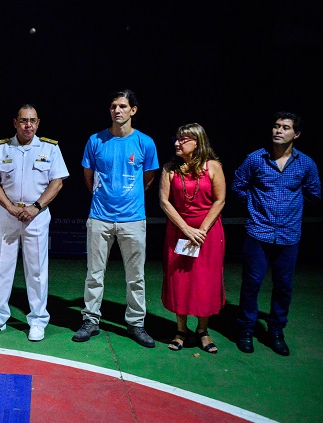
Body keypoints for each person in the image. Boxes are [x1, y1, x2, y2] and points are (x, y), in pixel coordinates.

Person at [73, 89, 160, 348]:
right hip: (99, 217)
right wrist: (103, 198)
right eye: (113, 106)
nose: (117, 111)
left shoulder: (145, 142)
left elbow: (149, 178)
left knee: (136, 276)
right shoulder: (96, 140)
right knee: (94, 273)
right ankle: (90, 320)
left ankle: (135, 323)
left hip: (133, 219)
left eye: (122, 106)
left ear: (133, 110)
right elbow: (88, 175)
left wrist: (129, 198)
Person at [232, 111, 321, 356]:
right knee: (251, 283)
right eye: (276, 126)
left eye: (285, 127)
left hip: (289, 235)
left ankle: (276, 332)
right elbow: (238, 184)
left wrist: (293, 208)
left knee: (283, 286)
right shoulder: (255, 159)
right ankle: (246, 330)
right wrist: (254, 205)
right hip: (258, 232)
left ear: (297, 134)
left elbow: (314, 194)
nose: (279, 131)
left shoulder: (306, 164)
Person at [0, 104, 68, 342]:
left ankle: (38, 320)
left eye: (33, 121)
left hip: (36, 215)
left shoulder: (49, 148)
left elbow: (57, 182)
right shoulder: (0, 148)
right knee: (1, 267)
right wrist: (9, 207)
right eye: (24, 120)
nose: (28, 125)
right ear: (15, 122)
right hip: (8, 213)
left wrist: (35, 207)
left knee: (37, 270)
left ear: (38, 123)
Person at [159, 123, 226, 353]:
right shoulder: (170, 168)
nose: (177, 143)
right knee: (180, 280)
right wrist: (186, 229)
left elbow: (220, 200)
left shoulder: (213, 166)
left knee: (204, 281)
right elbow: (164, 202)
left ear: (197, 142)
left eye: (183, 139)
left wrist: (202, 230)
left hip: (208, 232)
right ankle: (181, 330)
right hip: (179, 230)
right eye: (177, 139)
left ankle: (203, 330)